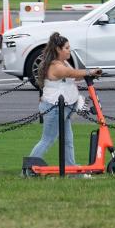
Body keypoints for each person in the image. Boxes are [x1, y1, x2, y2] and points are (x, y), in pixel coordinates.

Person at [28, 33, 102, 170]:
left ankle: (70, 168)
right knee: (48, 139)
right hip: (54, 108)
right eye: (67, 48)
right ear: (58, 49)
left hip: (64, 108)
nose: (69, 50)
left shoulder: (64, 63)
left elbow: (73, 77)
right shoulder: (56, 66)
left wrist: (89, 75)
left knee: (68, 141)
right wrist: (89, 72)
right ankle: (28, 168)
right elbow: (70, 73)